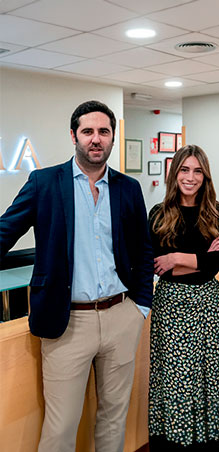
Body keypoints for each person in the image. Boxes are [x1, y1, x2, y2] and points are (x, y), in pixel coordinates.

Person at [0, 100, 153, 452]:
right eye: (88, 131)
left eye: (103, 131)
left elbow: (143, 251)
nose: (96, 139)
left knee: (114, 419)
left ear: (112, 137)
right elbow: (5, 232)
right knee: (61, 428)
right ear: (74, 136)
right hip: (67, 322)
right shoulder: (44, 183)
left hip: (121, 316)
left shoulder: (128, 188)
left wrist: (140, 307)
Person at [148, 144, 219, 451]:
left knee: (209, 375)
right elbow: (158, 266)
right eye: (184, 170)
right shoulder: (159, 214)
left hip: (207, 305)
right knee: (176, 380)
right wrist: (201, 258)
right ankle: (175, 442)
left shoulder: (218, 212)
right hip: (171, 306)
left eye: (198, 171)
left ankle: (208, 442)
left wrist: (177, 257)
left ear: (205, 176)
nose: (191, 177)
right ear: (174, 173)